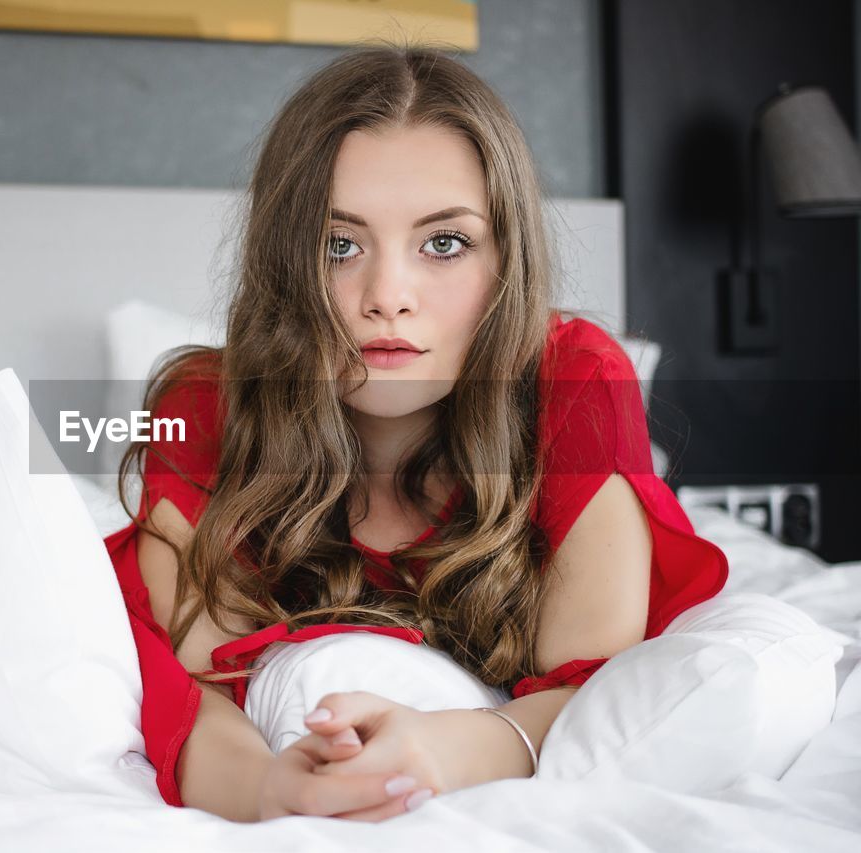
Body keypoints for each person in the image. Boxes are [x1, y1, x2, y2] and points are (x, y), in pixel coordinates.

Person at [100, 43, 729, 823]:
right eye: (339, 245)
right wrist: (268, 789)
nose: (387, 296)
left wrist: (446, 749)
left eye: (444, 243)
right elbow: (196, 694)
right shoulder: (203, 407)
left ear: (507, 263)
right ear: (284, 264)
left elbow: (595, 684)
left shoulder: (577, 380)